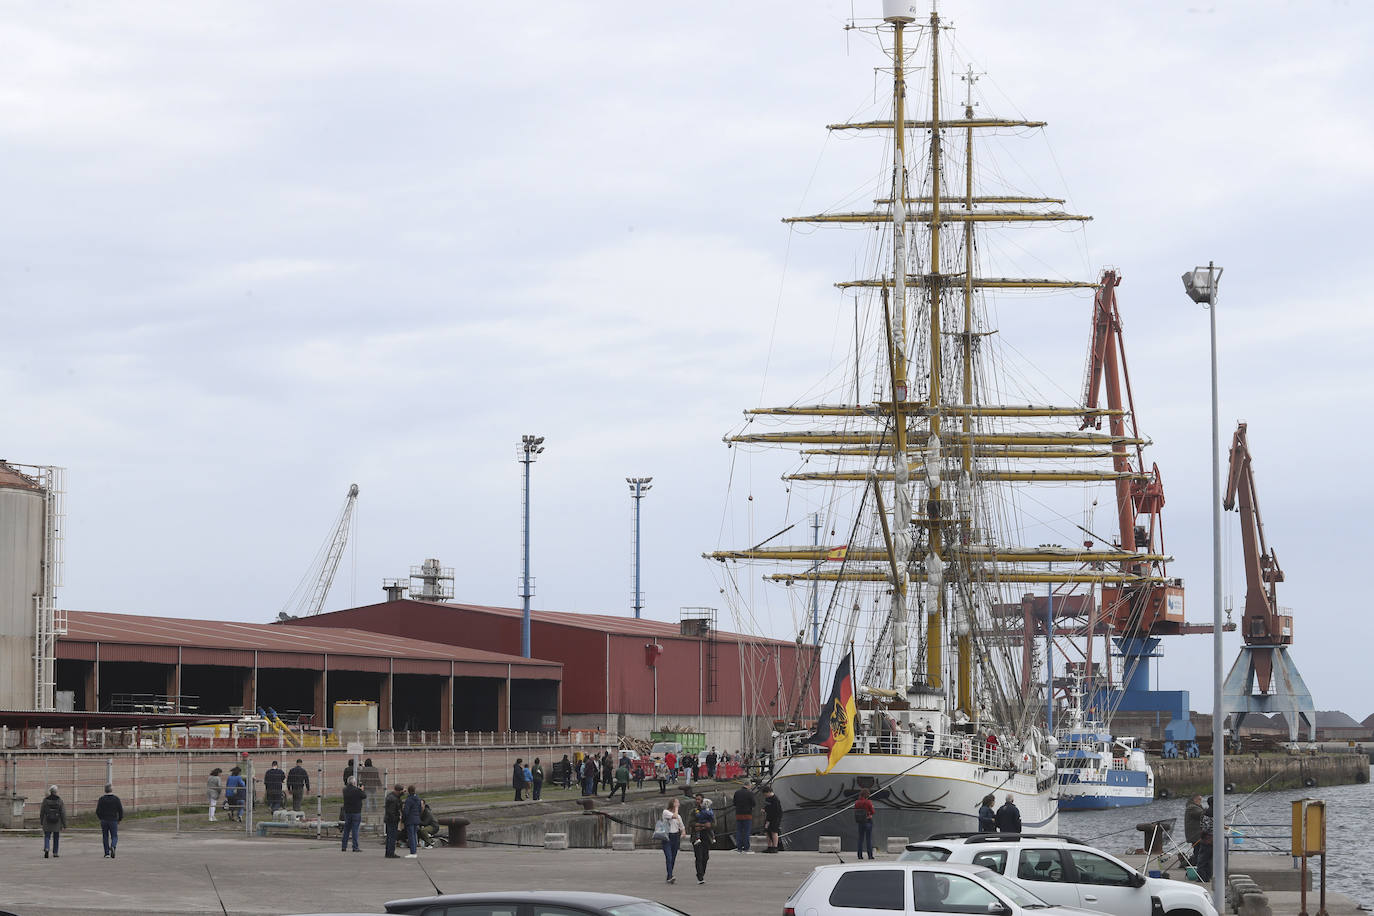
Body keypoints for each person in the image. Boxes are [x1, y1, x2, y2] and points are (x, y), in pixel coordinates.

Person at [660, 796, 686, 884]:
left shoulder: (678, 816)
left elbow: (682, 826)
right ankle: (670, 876)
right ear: (673, 803)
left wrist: (683, 832)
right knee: (669, 857)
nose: (678, 804)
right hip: (667, 837)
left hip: (675, 836)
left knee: (673, 858)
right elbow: (674, 816)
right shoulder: (666, 812)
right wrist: (676, 808)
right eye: (676, 802)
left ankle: (669, 876)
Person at [690, 794, 715, 884]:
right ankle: (700, 876)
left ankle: (702, 873)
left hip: (706, 836)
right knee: (698, 857)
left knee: (705, 857)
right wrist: (700, 825)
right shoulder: (693, 811)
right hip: (696, 836)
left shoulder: (708, 810)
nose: (697, 801)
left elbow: (714, 823)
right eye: (696, 799)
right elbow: (691, 822)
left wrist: (709, 825)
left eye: (699, 799)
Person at [96, 783, 124, 858]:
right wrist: (119, 819)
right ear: (111, 789)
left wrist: (101, 818)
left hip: (104, 820)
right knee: (114, 836)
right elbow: (120, 810)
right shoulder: (116, 799)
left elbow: (98, 811)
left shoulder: (101, 799)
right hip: (113, 820)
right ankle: (113, 846)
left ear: (105, 790)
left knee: (105, 836)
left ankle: (107, 853)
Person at [341, 775, 366, 852]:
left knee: (346, 830)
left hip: (347, 812)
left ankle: (344, 846)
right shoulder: (357, 790)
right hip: (356, 812)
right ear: (354, 782)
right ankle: (355, 847)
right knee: (355, 830)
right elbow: (364, 796)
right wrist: (361, 789)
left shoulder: (345, 790)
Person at [40, 785, 66, 859]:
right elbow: (63, 812)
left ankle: (47, 848)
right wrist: (64, 824)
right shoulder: (59, 800)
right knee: (56, 837)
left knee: (47, 836)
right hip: (57, 822)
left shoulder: (45, 800)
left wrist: (41, 821)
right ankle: (55, 852)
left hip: (47, 821)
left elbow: (42, 812)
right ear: (56, 792)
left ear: (50, 791)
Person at [1182, 794, 1204, 868]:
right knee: (1198, 850)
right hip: (1195, 834)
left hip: (1197, 834)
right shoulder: (1192, 807)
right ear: (1195, 799)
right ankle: (1195, 864)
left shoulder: (1195, 807)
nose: (1201, 801)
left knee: (1198, 850)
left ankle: (1195, 863)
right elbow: (1202, 814)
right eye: (1199, 799)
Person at [732, 784, 756, 853]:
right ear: (748, 785)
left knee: (739, 831)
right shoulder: (750, 793)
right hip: (747, 814)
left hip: (738, 814)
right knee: (746, 831)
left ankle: (739, 847)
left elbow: (734, 803)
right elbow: (754, 803)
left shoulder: (737, 792)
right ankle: (746, 848)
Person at [853, 788, 875, 860]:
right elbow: (872, 811)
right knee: (868, 839)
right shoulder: (868, 802)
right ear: (867, 795)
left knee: (860, 839)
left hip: (860, 821)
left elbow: (855, 810)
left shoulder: (857, 802)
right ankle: (870, 855)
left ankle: (859, 855)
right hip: (868, 820)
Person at [402, 785, 424, 858]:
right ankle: (414, 851)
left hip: (410, 819)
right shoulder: (418, 799)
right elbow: (420, 810)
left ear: (408, 791)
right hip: (416, 819)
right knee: (414, 835)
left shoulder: (409, 800)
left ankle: (413, 852)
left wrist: (403, 819)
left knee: (411, 836)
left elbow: (406, 811)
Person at [383, 783, 404, 858]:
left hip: (389, 819)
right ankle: (391, 853)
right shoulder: (393, 799)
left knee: (389, 837)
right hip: (392, 820)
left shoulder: (391, 796)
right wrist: (396, 818)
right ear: (398, 791)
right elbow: (391, 811)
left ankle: (388, 852)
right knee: (392, 837)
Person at [763, 786, 783, 853]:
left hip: (775, 818)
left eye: (766, 794)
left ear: (769, 792)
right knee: (767, 831)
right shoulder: (767, 799)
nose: (765, 796)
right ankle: (769, 846)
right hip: (768, 817)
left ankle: (775, 847)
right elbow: (767, 807)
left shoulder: (775, 799)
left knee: (774, 831)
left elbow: (776, 810)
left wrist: (767, 811)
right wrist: (765, 809)